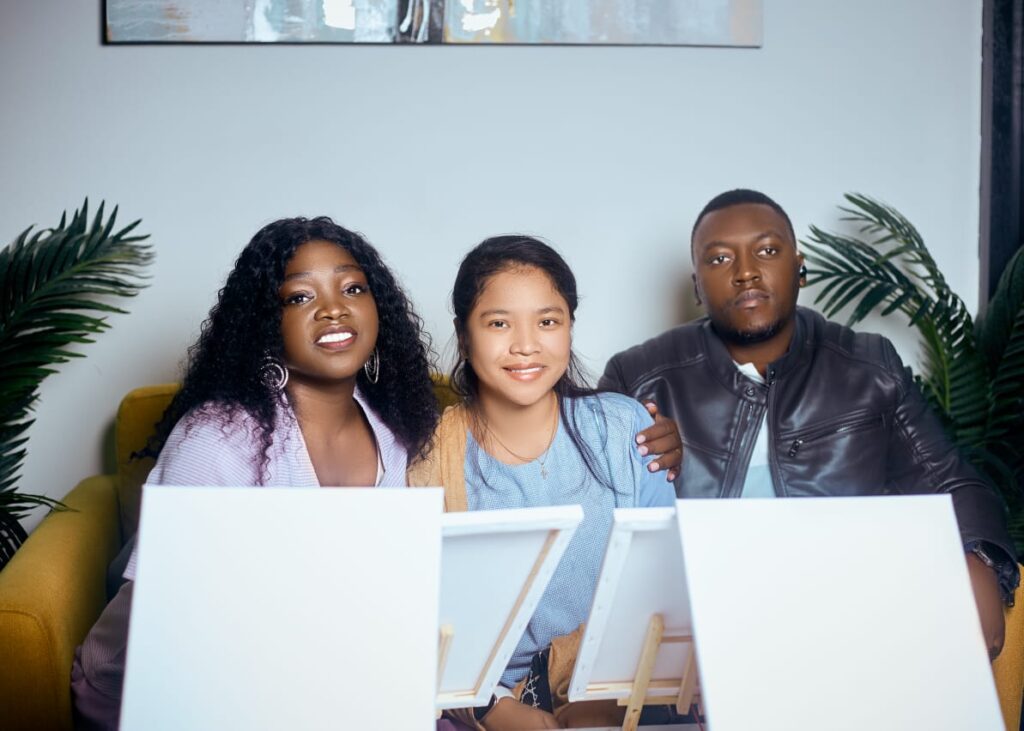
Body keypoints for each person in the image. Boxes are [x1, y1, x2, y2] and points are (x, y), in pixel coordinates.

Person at [599, 188, 1019, 660]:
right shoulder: (640, 377)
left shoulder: (868, 368)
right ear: (697, 286)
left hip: (842, 620)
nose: (745, 272)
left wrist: (979, 559)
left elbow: (950, 481)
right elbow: (592, 512)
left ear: (800, 268)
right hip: (698, 632)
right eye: (719, 259)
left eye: (766, 251)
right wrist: (643, 464)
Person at [70, 216, 439, 730]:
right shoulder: (217, 438)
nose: (334, 308)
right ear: (265, 325)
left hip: (315, 673)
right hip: (158, 684)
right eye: (299, 297)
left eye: (353, 288)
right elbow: (173, 623)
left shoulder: (398, 435)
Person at [409, 235, 678, 730]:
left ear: (570, 327)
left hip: (620, 699)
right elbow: (416, 618)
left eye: (548, 321)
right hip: (478, 706)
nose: (526, 345)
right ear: (464, 336)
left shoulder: (625, 429)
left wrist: (603, 701)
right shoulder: (426, 461)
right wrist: (495, 709)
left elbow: (663, 588)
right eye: (499, 323)